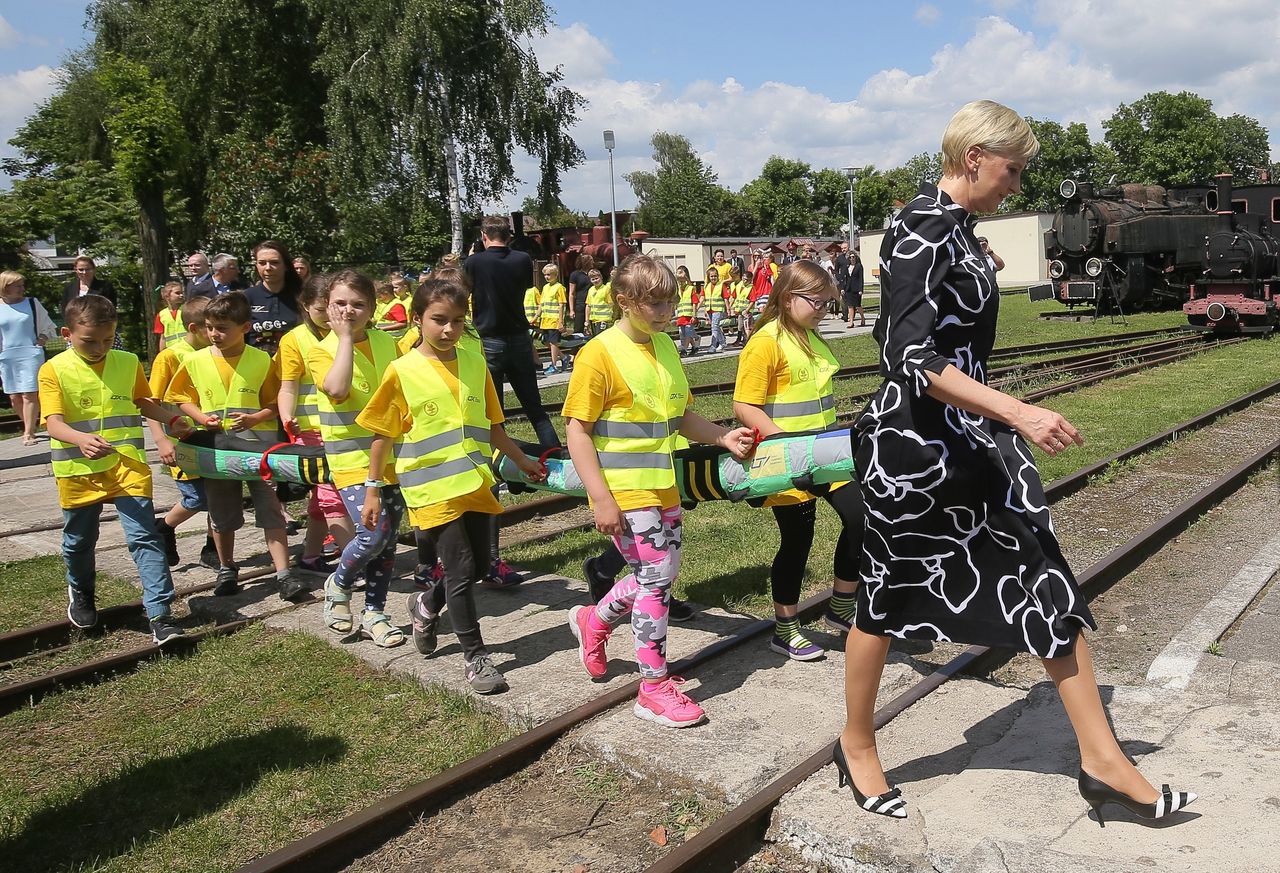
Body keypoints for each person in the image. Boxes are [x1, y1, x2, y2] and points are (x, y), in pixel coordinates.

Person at [837, 99, 1196, 823]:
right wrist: (1019, 410)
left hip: (967, 440)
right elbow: (907, 356)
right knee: (883, 596)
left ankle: (1102, 760)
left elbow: (952, 319)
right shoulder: (915, 227)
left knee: (1043, 575)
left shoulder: (958, 231)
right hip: (911, 450)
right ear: (975, 158)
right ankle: (858, 743)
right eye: (1012, 168)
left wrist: (974, 267)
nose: (1017, 183)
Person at [563, 255, 755, 728]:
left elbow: (677, 416)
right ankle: (652, 686)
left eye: (670, 299)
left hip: (662, 484)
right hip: (624, 488)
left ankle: (595, 620)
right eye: (656, 303)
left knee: (659, 575)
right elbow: (577, 431)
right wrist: (602, 498)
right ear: (624, 301)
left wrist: (720, 436)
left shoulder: (665, 345)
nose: (667, 310)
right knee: (656, 579)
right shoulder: (599, 353)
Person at [360, 276, 546, 690]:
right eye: (439, 320)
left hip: (475, 482)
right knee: (460, 567)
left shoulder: (475, 362)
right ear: (417, 319)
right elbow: (381, 437)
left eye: (458, 321)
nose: (449, 330)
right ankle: (475, 657)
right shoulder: (401, 371)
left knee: (480, 566)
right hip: (431, 488)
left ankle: (426, 606)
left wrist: (522, 459)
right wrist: (373, 489)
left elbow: (494, 426)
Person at [732, 261, 864, 659]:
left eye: (829, 302)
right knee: (797, 541)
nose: (824, 309)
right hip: (790, 461)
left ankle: (841, 606)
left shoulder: (809, 336)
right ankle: (785, 628)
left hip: (825, 453)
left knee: (863, 519)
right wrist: (785, 446)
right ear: (788, 299)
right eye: (817, 302)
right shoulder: (765, 342)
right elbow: (744, 405)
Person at [40, 295, 187, 643]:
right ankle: (82, 593)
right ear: (67, 333)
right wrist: (80, 439)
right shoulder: (54, 369)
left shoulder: (127, 360)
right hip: (78, 470)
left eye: (107, 340)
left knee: (144, 538)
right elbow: (53, 423)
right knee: (79, 541)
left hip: (127, 466)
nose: (99, 347)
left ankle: (161, 615)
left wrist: (172, 419)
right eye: (89, 341)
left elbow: (141, 401)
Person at [166, 291, 296, 598]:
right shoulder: (195, 360)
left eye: (222, 328)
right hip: (216, 449)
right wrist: (199, 416)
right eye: (210, 327)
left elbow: (274, 402)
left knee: (271, 512)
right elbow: (180, 397)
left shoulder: (262, 360)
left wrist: (254, 419)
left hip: (258, 449)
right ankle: (227, 568)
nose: (214, 334)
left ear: (246, 328)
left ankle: (284, 574)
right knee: (221, 514)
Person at [307, 271, 407, 647]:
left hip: (392, 456)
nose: (349, 310)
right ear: (329, 307)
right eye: (340, 303)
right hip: (350, 458)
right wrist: (345, 338)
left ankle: (375, 613)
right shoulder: (321, 348)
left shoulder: (387, 344)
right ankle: (340, 582)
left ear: (372, 309)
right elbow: (336, 389)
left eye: (358, 304)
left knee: (389, 540)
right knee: (373, 533)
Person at [277, 276, 356, 574]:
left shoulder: (349, 333)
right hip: (310, 431)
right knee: (330, 494)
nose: (331, 317)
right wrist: (287, 417)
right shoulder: (295, 340)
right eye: (322, 310)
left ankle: (310, 556)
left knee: (322, 497)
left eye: (333, 308)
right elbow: (288, 386)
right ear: (306, 306)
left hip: (344, 426)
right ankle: (354, 563)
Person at [465, 216, 559, 450]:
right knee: (534, 407)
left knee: (495, 412)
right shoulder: (522, 259)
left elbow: (463, 287)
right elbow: (525, 286)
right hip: (519, 337)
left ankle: (502, 459)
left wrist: (471, 257)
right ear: (508, 236)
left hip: (489, 340)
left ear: (484, 236)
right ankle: (555, 452)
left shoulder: (474, 262)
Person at [148, 296, 219, 570]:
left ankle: (212, 548)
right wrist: (161, 440)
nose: (216, 334)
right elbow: (149, 403)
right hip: (184, 441)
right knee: (197, 497)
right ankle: (163, 527)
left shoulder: (218, 353)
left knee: (219, 497)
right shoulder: (170, 356)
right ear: (193, 328)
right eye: (210, 327)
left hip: (214, 437)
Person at [0, 271, 56, 445]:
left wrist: (42, 340)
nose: (22, 289)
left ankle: (29, 432)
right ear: (6, 287)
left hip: (30, 353)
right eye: (18, 286)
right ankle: (29, 424)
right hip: (7, 355)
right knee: (14, 396)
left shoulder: (32, 303)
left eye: (22, 285)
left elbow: (48, 325)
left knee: (29, 394)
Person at [243, 240, 301, 356]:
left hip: (293, 365)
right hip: (256, 365)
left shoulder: (301, 296)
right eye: (262, 263)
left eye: (274, 262)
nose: (268, 268)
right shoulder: (245, 297)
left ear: (286, 266)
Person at [537, 263, 567, 374]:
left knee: (554, 343)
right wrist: (537, 316)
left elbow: (561, 304)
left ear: (555, 275)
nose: (547, 277)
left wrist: (561, 321)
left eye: (549, 274)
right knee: (546, 342)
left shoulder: (559, 287)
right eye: (545, 275)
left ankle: (554, 365)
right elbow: (542, 304)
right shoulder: (545, 287)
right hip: (545, 320)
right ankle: (564, 357)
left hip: (554, 320)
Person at [153, 281, 187, 350]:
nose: (181, 295)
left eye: (182, 293)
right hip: (171, 350)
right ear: (167, 296)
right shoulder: (161, 315)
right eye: (177, 293)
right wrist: (162, 353)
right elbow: (163, 337)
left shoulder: (186, 310)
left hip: (187, 348)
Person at [674, 266, 699, 356]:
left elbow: (695, 303)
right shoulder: (677, 289)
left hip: (689, 316)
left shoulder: (690, 288)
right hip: (681, 315)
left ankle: (684, 350)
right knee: (683, 334)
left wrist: (694, 315)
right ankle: (695, 346)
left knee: (688, 334)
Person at [567, 254, 594, 335]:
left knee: (591, 328)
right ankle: (576, 346)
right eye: (591, 260)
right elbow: (571, 293)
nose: (593, 262)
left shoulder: (593, 273)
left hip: (592, 304)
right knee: (578, 328)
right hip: (580, 304)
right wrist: (571, 310)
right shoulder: (575, 275)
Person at [703, 265, 727, 353]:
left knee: (714, 327)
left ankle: (713, 345)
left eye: (715, 276)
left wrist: (728, 309)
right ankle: (722, 342)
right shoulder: (706, 286)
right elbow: (703, 297)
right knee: (715, 327)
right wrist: (702, 309)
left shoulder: (721, 285)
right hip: (709, 309)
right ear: (709, 277)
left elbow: (726, 298)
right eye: (712, 276)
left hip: (718, 309)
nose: (714, 278)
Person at [584, 269, 613, 335]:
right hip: (594, 320)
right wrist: (587, 321)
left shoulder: (606, 289)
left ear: (601, 277)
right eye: (593, 279)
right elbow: (588, 306)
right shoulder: (591, 290)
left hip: (603, 320)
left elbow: (611, 304)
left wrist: (611, 318)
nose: (595, 281)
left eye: (597, 278)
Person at [844, 250, 866, 328]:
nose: (852, 259)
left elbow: (861, 278)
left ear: (856, 258)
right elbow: (845, 278)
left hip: (856, 289)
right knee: (850, 305)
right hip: (848, 289)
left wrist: (861, 289)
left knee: (857, 306)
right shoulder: (847, 266)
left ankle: (862, 318)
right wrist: (844, 288)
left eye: (853, 257)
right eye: (850, 257)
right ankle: (851, 322)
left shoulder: (859, 266)